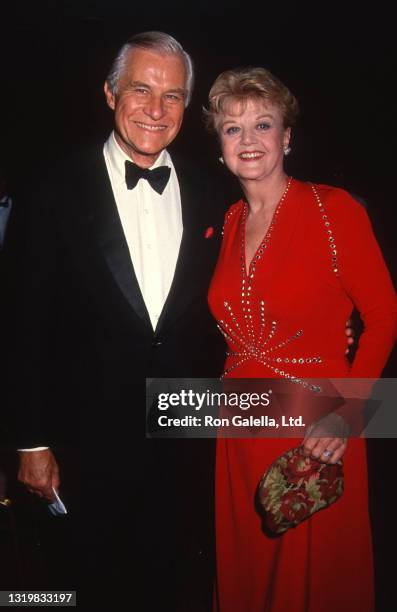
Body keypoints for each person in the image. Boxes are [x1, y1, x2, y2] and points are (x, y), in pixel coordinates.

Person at [12, 31, 227, 610]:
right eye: (141, 89)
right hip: (84, 444)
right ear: (110, 94)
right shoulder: (52, 189)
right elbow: (21, 322)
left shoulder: (215, 195)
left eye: (173, 96)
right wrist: (29, 441)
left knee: (176, 582)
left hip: (186, 442)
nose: (156, 110)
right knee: (83, 585)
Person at [205, 67, 397, 611]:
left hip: (315, 431)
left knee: (311, 587)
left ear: (286, 136)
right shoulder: (227, 221)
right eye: (232, 128)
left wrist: (351, 413)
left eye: (263, 124)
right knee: (247, 579)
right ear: (218, 145)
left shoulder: (333, 209)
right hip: (238, 429)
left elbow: (384, 315)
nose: (248, 141)